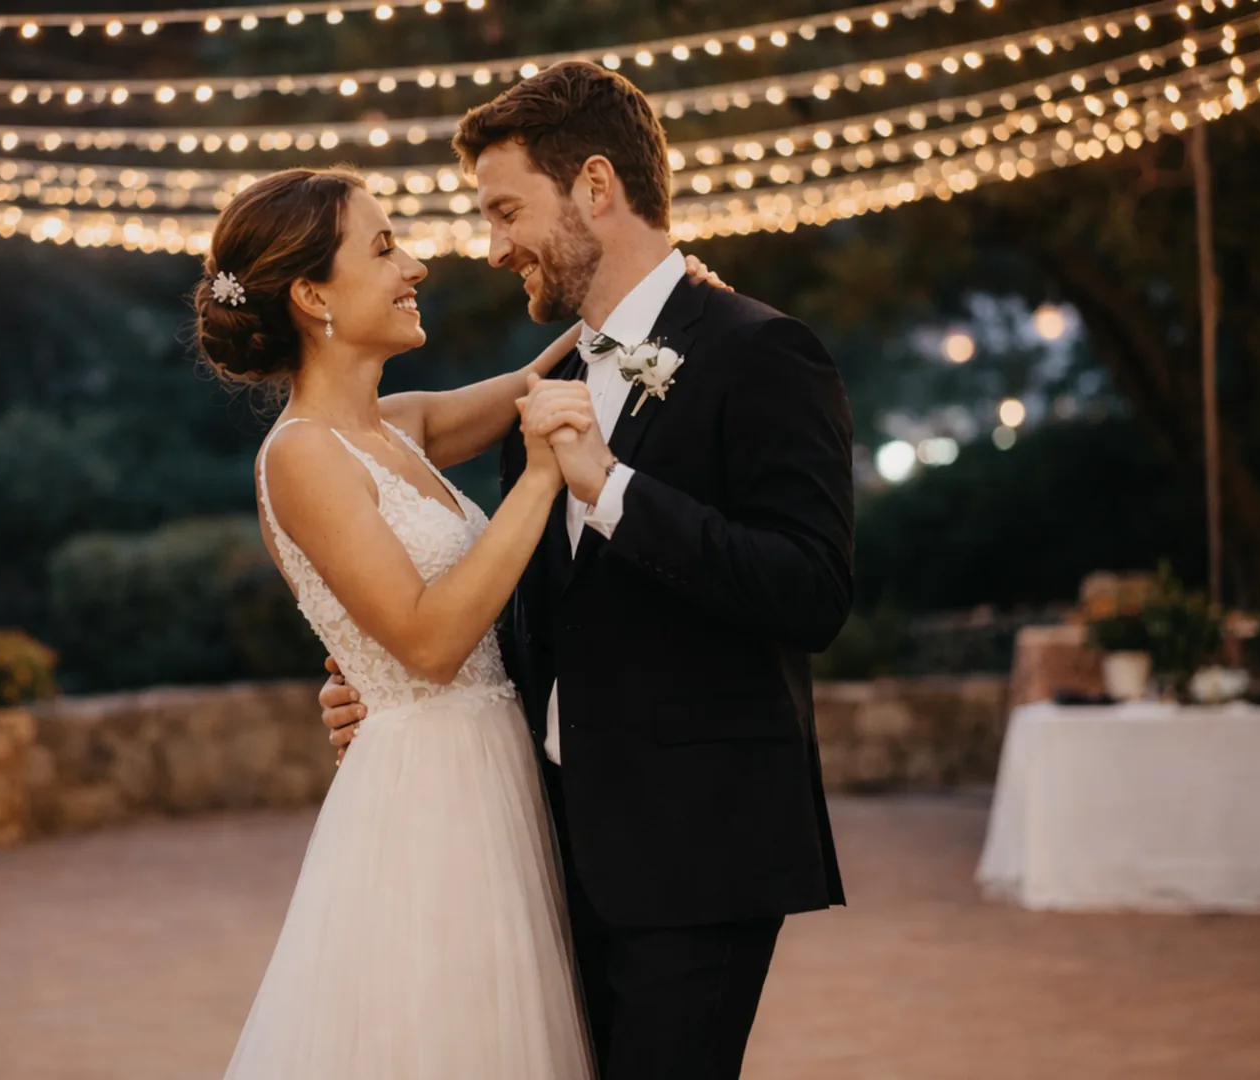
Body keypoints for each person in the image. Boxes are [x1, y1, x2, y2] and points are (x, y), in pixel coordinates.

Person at [320, 61, 856, 1080]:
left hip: (701, 851)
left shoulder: (763, 351)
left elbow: (811, 591)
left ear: (597, 188)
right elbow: (542, 615)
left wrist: (611, 489)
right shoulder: (559, 373)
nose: (492, 247)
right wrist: (384, 692)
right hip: (551, 851)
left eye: (507, 210)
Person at [197, 162, 729, 1079]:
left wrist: (669, 301)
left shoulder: (396, 426)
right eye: (385, 246)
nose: (416, 266)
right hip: (425, 800)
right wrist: (541, 476)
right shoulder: (300, 457)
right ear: (314, 293)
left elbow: (542, 378)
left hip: (495, 773)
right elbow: (431, 642)